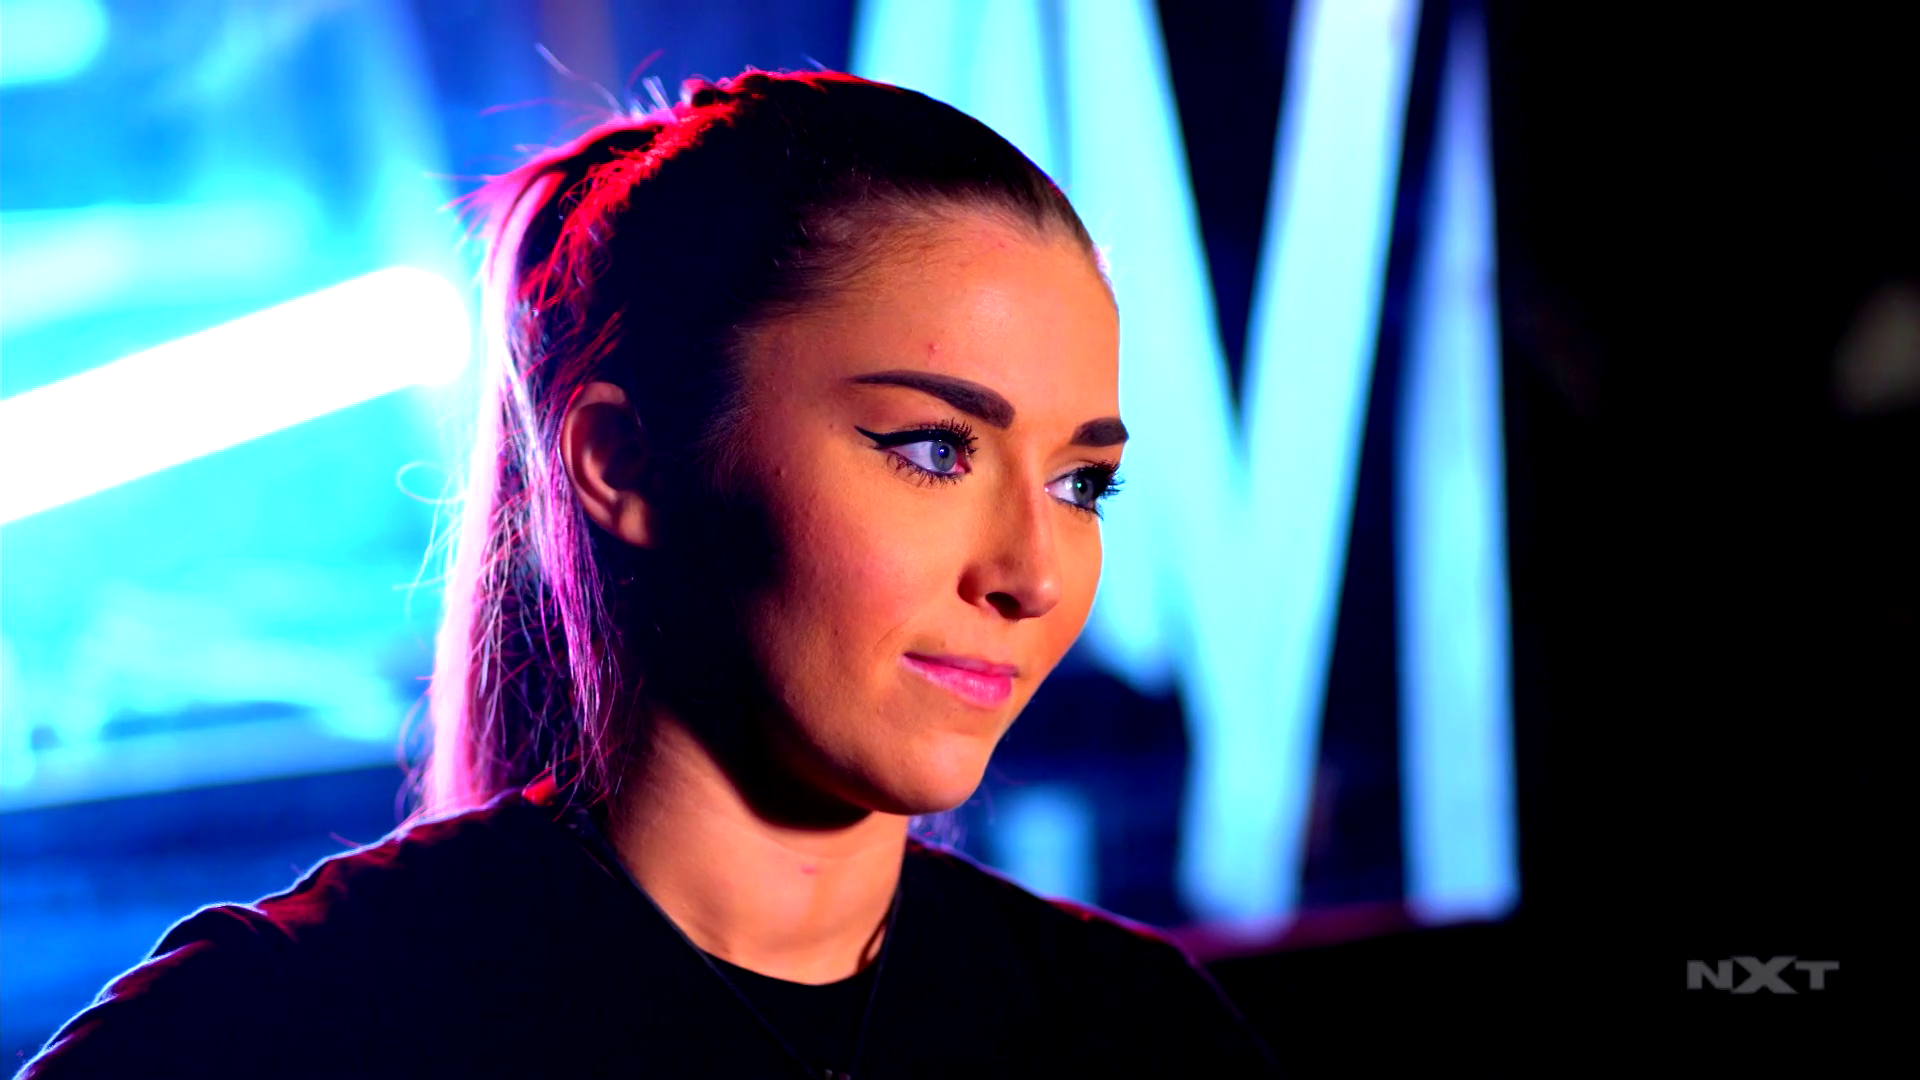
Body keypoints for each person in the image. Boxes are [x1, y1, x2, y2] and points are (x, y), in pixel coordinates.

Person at [20, 70, 1280, 1078]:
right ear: (621, 464)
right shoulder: (281, 1030)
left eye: (1081, 483)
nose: (1033, 573)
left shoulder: (1138, 1034)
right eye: (932, 449)